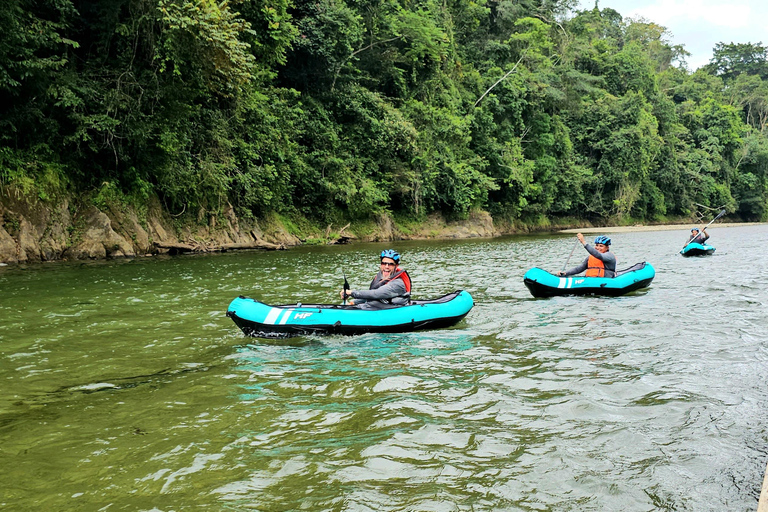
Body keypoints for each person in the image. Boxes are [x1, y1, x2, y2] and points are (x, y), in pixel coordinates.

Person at [340, 249, 412, 306]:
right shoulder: (381, 278)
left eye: (390, 264)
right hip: (377, 307)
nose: (386, 267)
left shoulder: (397, 284)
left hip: (391, 311)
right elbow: (370, 296)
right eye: (384, 263)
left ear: (396, 266)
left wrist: (351, 292)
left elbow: (376, 294)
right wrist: (353, 302)